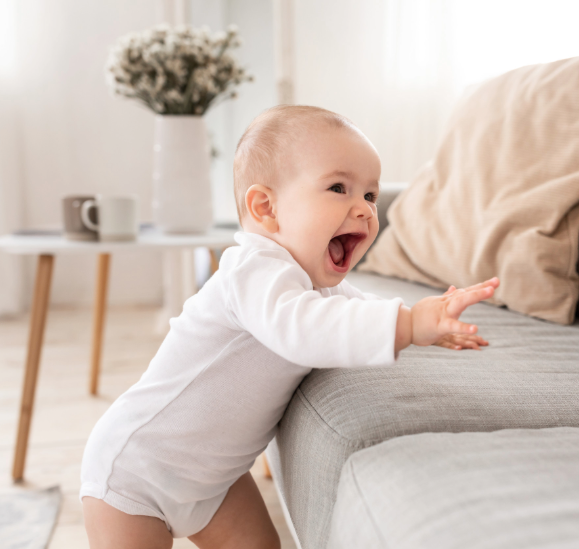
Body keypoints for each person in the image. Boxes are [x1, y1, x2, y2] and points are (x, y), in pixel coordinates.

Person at [80, 105, 499, 548]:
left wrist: (427, 321)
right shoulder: (252, 269)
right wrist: (409, 324)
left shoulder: (317, 286)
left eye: (371, 195)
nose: (363, 209)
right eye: (338, 188)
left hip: (215, 483)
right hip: (137, 475)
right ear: (267, 208)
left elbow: (359, 311)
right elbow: (303, 329)